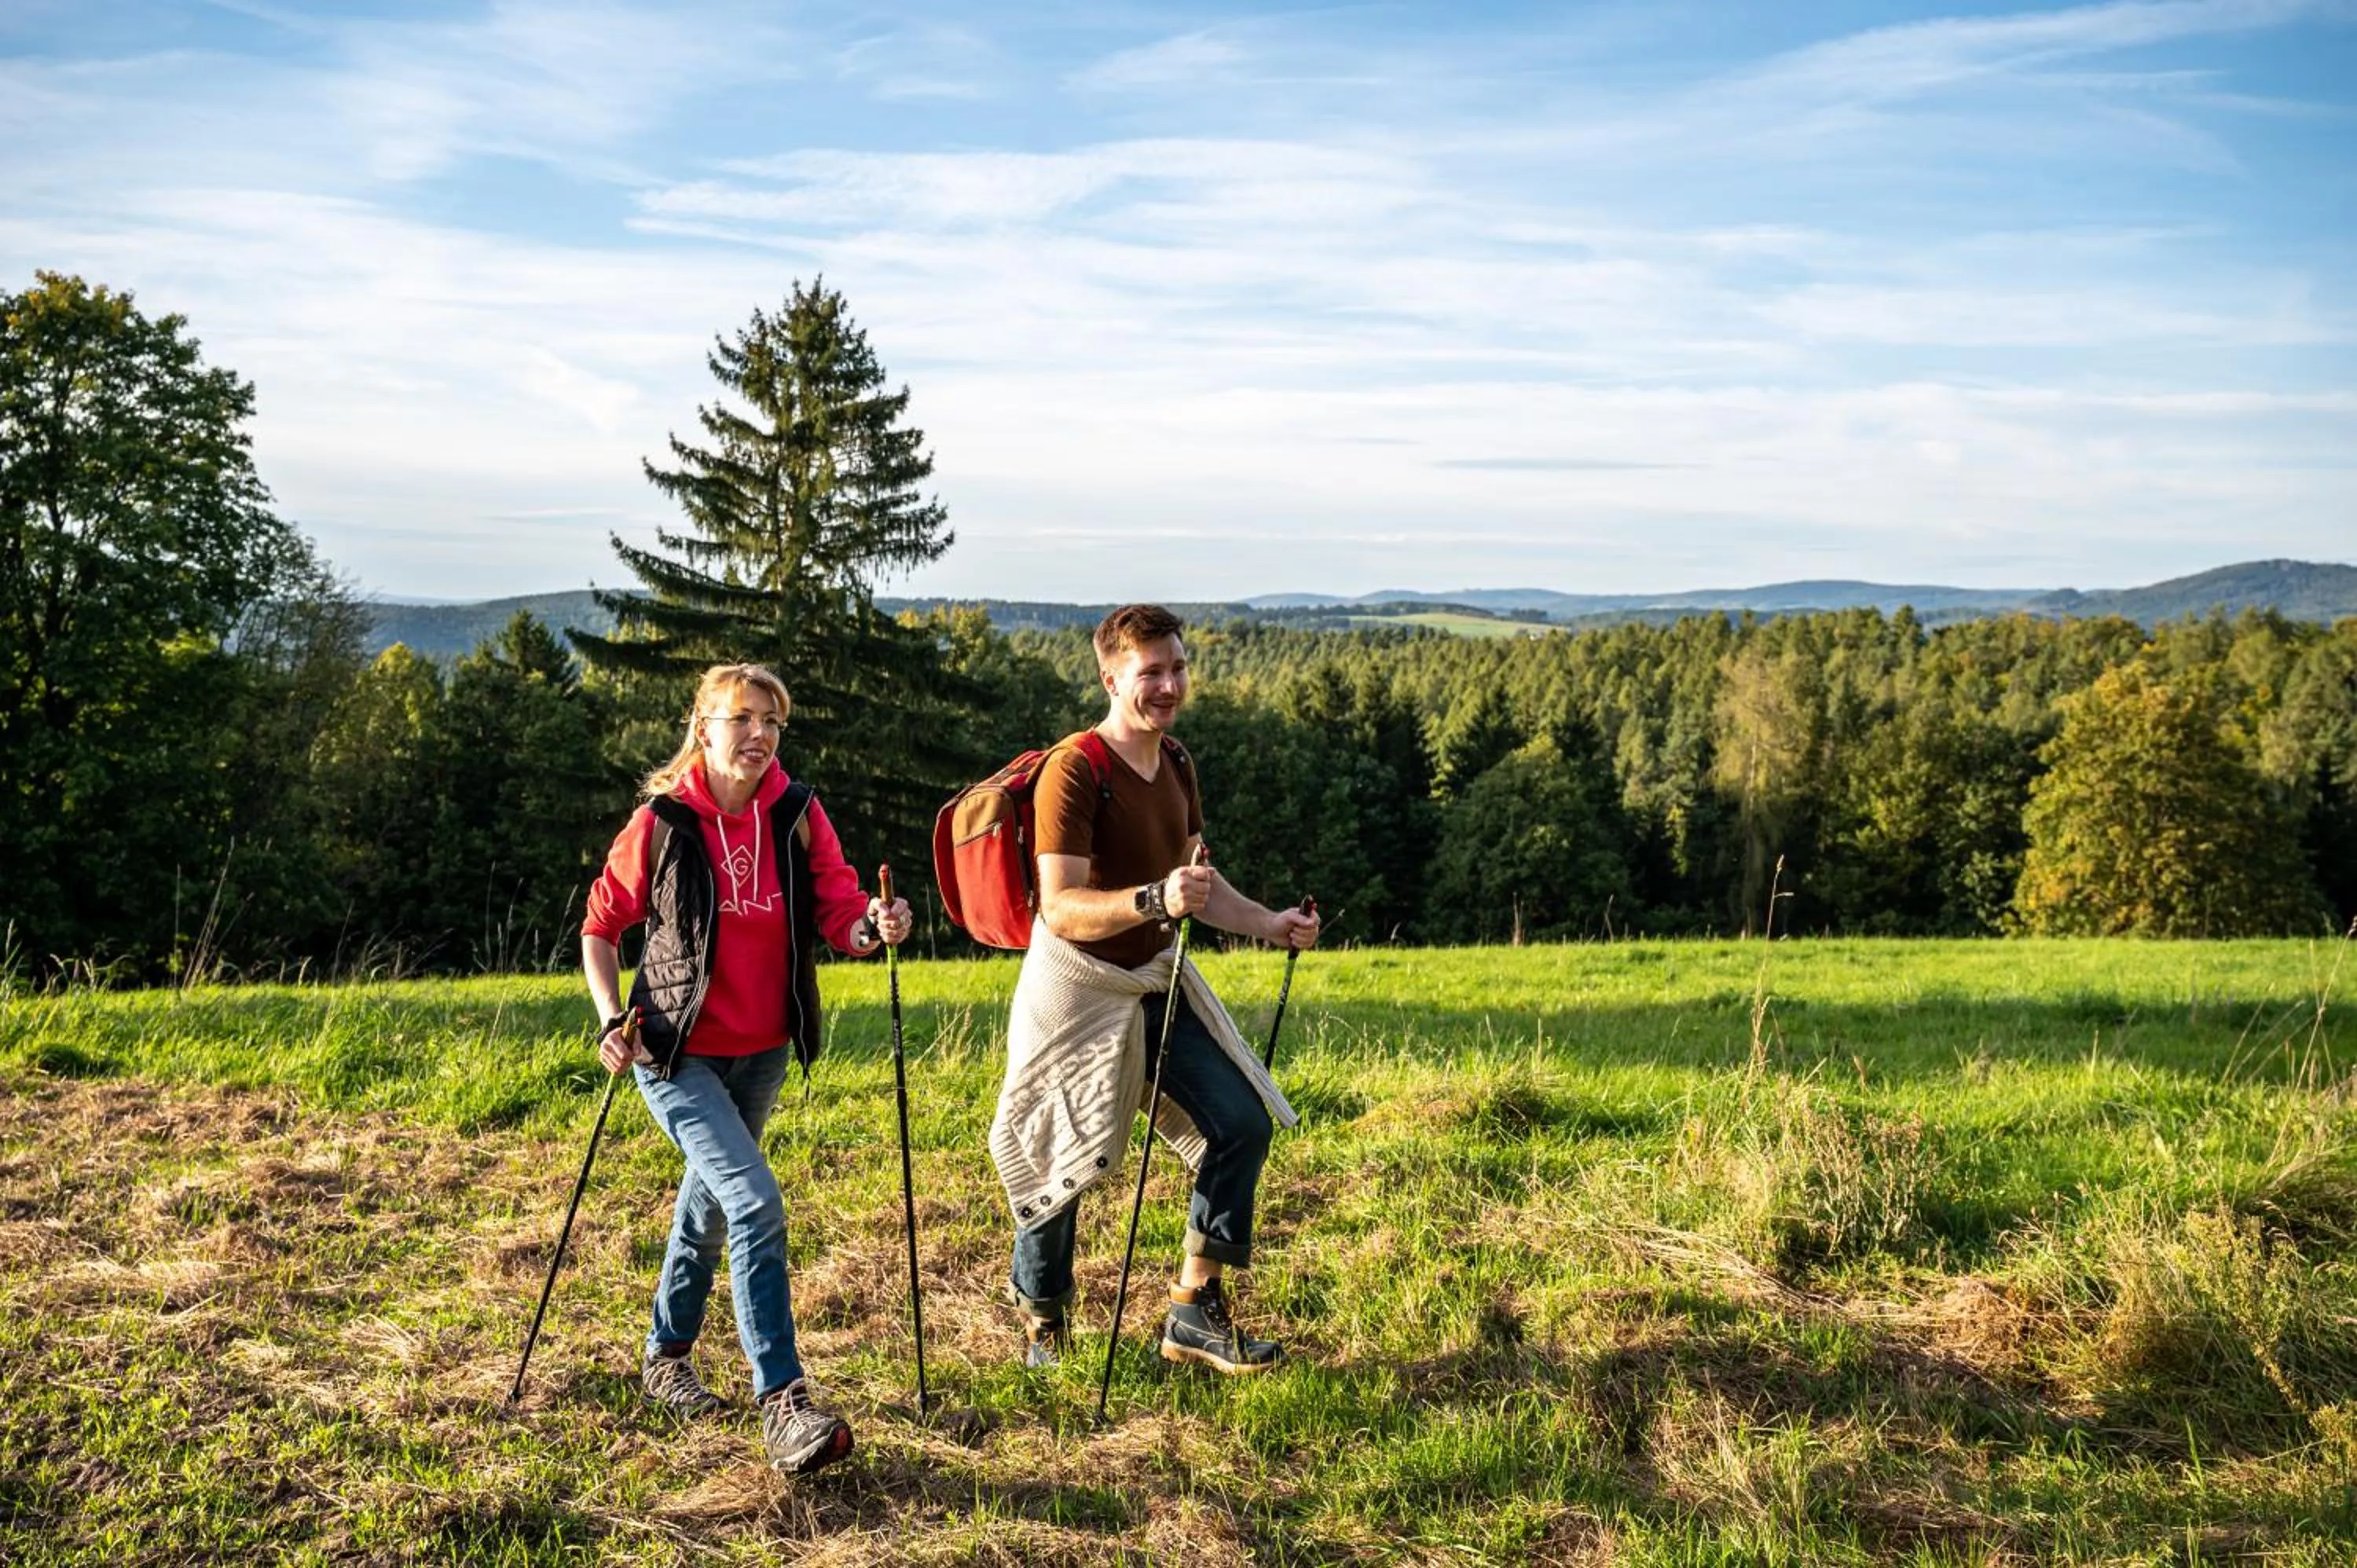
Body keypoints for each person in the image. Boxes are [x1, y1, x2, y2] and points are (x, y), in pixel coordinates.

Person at [581, 661, 911, 1476]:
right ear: (704, 727)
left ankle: (665, 1356)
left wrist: (875, 924)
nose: (759, 734)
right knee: (755, 1199)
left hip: (762, 1048)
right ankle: (784, 1403)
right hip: (673, 1050)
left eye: (771, 721)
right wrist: (607, 1017)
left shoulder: (796, 813)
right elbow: (600, 925)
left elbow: (840, 913)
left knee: (712, 1202)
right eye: (742, 718)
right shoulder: (662, 822)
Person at [988, 605, 1321, 1373]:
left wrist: (1272, 924)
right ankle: (1043, 1322)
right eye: (1151, 672)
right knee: (1057, 1155)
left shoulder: (1175, 763)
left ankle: (1191, 1310)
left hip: (1153, 980)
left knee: (1241, 1120)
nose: (1168, 685)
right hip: (1075, 988)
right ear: (1112, 678)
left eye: (1176, 668)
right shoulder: (1075, 769)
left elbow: (1196, 883)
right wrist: (1152, 901)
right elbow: (1061, 903)